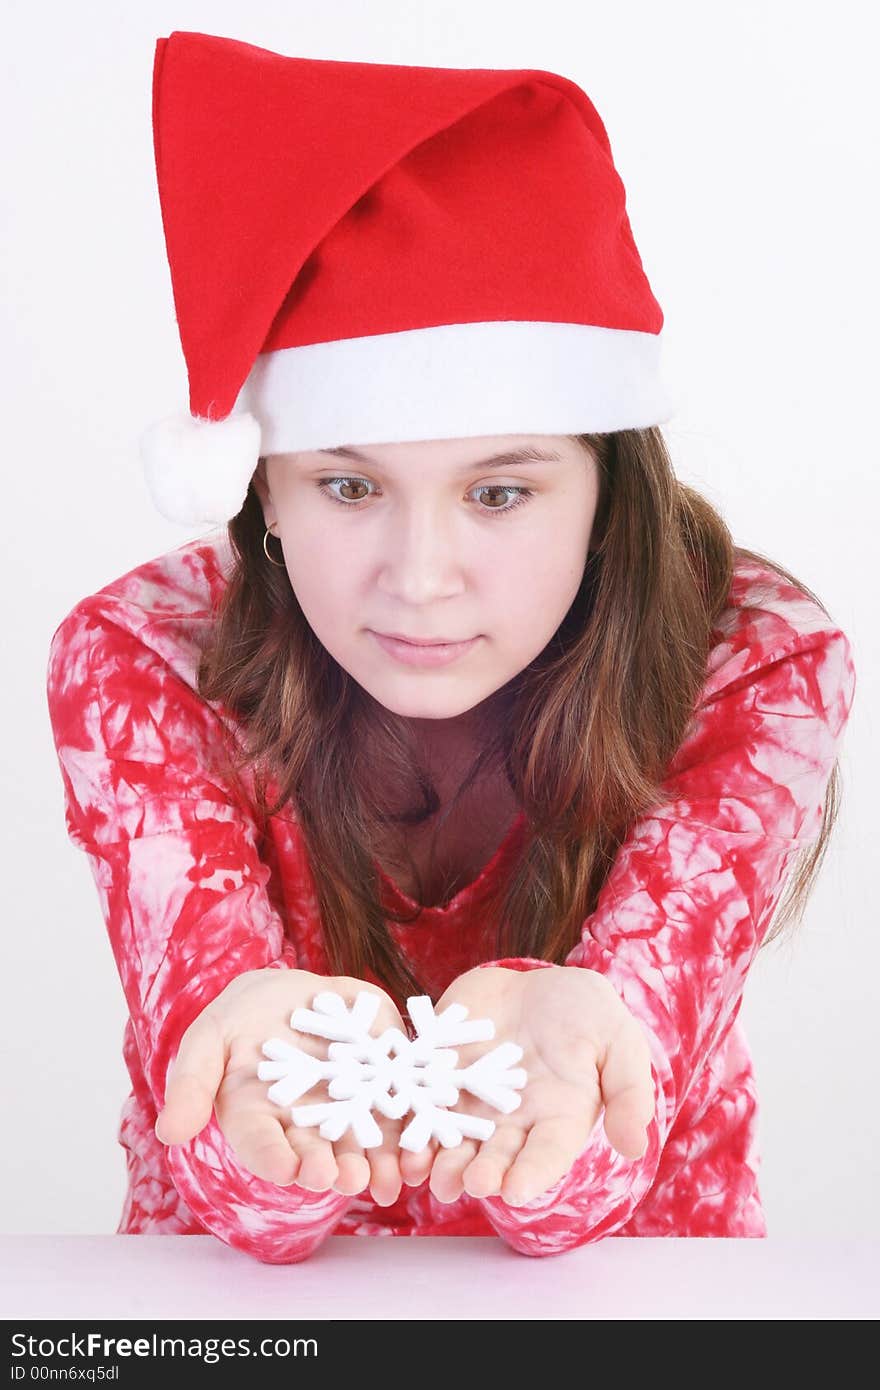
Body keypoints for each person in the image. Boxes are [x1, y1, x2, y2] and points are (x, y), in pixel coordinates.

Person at [45, 31, 855, 1265]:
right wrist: (258, 1079)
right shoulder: (141, 664)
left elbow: (589, 1192)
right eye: (348, 487)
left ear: (607, 492)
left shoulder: (759, 666)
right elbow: (235, 1203)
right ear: (262, 490)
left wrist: (571, 1044)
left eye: (498, 494)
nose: (419, 581)